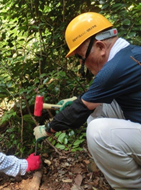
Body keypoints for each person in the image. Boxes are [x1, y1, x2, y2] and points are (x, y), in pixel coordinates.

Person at [33, 12, 141, 189]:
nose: (84, 64)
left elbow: (79, 111)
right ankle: (121, 164)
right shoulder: (132, 54)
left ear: (100, 46)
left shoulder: (114, 69)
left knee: (97, 132)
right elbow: (92, 102)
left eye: (81, 57)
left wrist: (48, 128)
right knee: (98, 110)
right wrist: (78, 101)